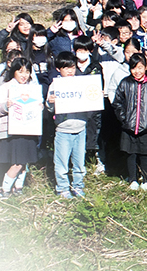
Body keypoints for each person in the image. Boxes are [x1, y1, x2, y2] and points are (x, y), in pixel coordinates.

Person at [0, 57, 42, 199]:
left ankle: (18, 188)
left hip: (29, 130)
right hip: (12, 130)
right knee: (17, 163)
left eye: (27, 71)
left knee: (24, 161)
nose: (24, 75)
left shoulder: (33, 89)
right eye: (20, 71)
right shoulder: (6, 87)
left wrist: (39, 108)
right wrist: (6, 107)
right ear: (14, 72)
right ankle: (4, 190)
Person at [112, 53, 147, 190]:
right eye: (134, 68)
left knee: (145, 155)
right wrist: (124, 119)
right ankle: (133, 179)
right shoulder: (125, 83)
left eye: (140, 67)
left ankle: (145, 180)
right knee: (131, 154)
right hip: (129, 126)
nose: (137, 71)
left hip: (145, 127)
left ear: (146, 67)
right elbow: (117, 102)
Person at [46, 52, 92, 199]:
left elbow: (91, 104)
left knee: (79, 162)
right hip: (63, 129)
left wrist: (95, 95)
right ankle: (63, 188)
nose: (70, 71)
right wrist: (50, 102)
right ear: (59, 69)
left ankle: (78, 186)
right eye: (66, 68)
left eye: (72, 67)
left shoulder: (81, 83)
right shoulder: (55, 85)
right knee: (61, 162)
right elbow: (49, 109)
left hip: (80, 127)